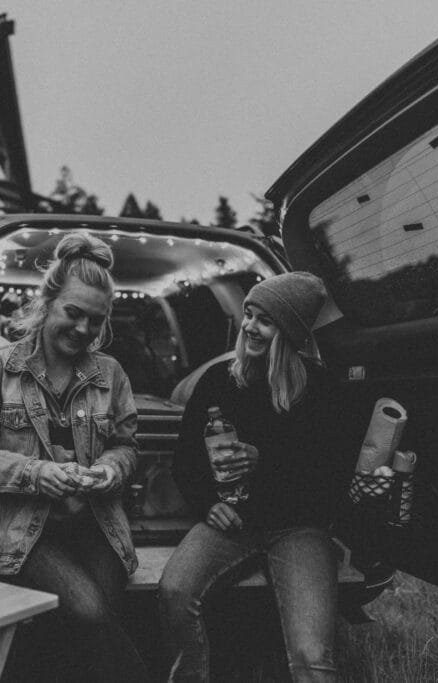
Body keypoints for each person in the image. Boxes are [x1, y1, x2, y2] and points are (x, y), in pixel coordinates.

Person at [0, 231, 149, 682]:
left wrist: (109, 470)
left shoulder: (110, 374)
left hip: (96, 524)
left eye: (95, 321)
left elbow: (126, 445)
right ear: (48, 302)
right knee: (93, 613)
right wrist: (37, 473)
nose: (83, 330)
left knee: (94, 626)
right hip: (22, 532)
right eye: (73, 314)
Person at [159, 272, 354, 682]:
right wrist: (208, 504)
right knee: (175, 592)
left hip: (299, 527)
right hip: (234, 520)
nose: (249, 326)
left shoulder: (321, 390)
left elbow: (332, 477)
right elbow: (186, 461)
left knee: (311, 652)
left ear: (288, 332)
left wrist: (264, 461)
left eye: (264, 320)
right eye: (248, 314)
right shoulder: (219, 381)